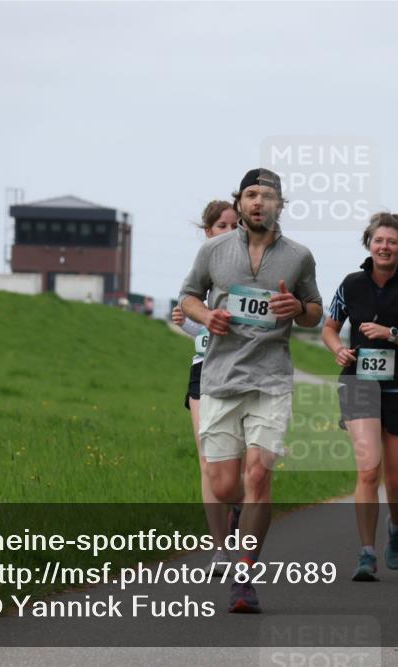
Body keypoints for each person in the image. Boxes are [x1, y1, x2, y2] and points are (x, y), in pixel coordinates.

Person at [178, 168, 323, 613]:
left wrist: (297, 307)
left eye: (268, 196)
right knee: (224, 488)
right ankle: (238, 515)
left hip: (272, 378)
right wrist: (207, 317)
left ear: (281, 205)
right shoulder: (214, 250)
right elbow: (187, 297)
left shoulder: (299, 256)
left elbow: (315, 312)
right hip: (221, 377)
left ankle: (244, 577)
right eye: (251, 195)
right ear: (239, 202)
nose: (259, 202)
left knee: (258, 475)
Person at [321, 212, 398, 582]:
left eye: (392, 241)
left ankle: (397, 526)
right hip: (358, 383)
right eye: (378, 240)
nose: (384, 247)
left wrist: (392, 335)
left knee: (396, 478)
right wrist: (338, 348)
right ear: (369, 243)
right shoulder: (351, 284)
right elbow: (329, 328)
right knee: (369, 469)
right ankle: (366, 553)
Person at [171, 200, 239, 572]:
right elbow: (198, 324)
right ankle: (219, 548)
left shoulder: (251, 268)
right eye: (220, 226)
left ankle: (239, 506)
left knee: (236, 463)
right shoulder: (201, 271)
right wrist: (186, 321)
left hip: (242, 371)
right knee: (207, 460)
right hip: (204, 368)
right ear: (207, 231)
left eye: (233, 226)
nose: (227, 232)